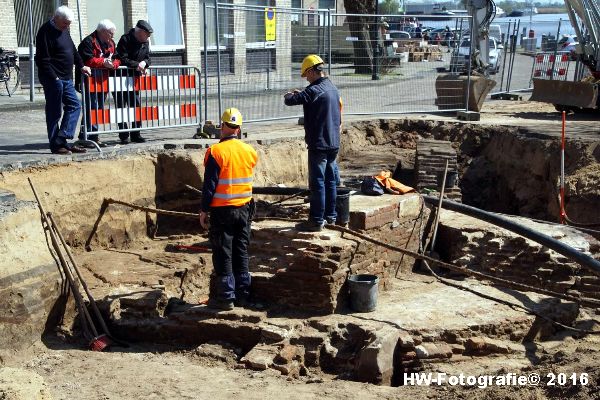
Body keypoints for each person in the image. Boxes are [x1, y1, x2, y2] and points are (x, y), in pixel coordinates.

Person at [199, 108, 258, 310]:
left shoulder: (215, 152)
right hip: (245, 209)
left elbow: (210, 185)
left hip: (223, 210)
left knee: (223, 252)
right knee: (241, 251)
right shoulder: (249, 151)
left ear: (222, 126)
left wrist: (204, 210)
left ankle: (226, 297)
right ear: (239, 128)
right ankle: (243, 295)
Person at [284, 54, 341, 232]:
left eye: (306, 75)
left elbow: (290, 100)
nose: (306, 79)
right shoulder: (331, 87)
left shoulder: (315, 90)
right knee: (330, 181)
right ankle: (331, 217)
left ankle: (316, 220)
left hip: (319, 143)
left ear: (311, 71)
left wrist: (289, 95)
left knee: (317, 183)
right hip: (333, 142)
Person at [35, 6, 91, 155]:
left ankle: (62, 139)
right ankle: (56, 145)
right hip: (53, 79)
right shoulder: (45, 31)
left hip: (66, 77)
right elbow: (42, 60)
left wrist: (81, 66)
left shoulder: (64, 29)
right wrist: (55, 78)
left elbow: (72, 50)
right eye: (65, 23)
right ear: (56, 18)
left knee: (75, 105)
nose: (67, 26)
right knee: (54, 112)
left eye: (69, 23)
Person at [77, 19, 120, 147]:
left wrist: (114, 65)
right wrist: (103, 62)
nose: (112, 36)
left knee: (99, 108)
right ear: (102, 31)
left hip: (103, 81)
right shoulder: (88, 42)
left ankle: (90, 135)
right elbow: (86, 60)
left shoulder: (111, 43)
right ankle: (89, 136)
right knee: (92, 108)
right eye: (110, 33)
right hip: (90, 80)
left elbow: (118, 58)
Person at [114, 20, 152, 144]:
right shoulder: (125, 39)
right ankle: (124, 135)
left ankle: (136, 134)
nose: (148, 38)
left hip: (134, 79)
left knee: (136, 106)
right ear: (140, 32)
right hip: (120, 78)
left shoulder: (145, 42)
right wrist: (137, 65)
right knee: (121, 106)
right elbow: (122, 58)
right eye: (147, 34)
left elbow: (148, 57)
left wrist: (145, 64)